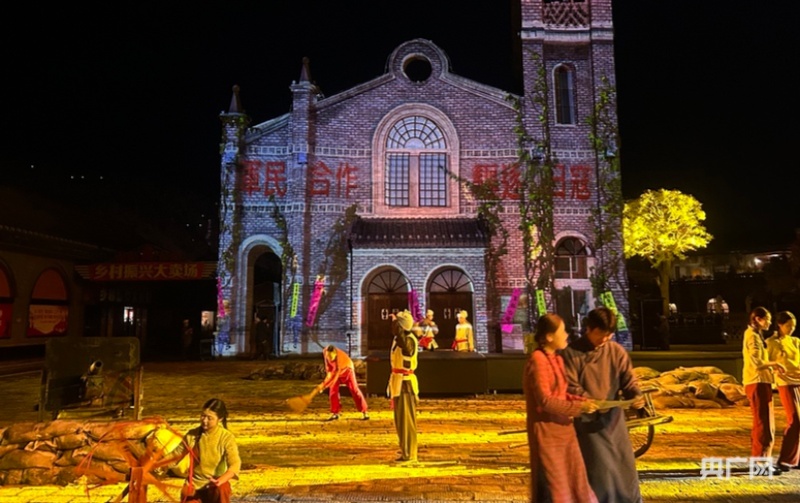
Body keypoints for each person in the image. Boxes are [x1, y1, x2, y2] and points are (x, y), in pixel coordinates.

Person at [561, 306, 645, 502]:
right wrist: (586, 400)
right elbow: (570, 385)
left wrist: (636, 397)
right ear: (589, 329)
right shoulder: (571, 353)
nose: (605, 339)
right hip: (587, 422)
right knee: (598, 469)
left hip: (614, 421)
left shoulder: (616, 351)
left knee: (623, 468)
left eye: (609, 335)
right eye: (601, 334)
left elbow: (628, 381)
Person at [523, 313, 599, 503]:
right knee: (556, 485)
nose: (566, 335)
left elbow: (561, 393)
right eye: (562, 331)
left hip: (564, 430)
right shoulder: (538, 360)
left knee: (575, 479)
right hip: (547, 433)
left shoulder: (556, 358)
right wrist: (578, 408)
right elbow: (545, 401)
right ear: (549, 337)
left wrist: (583, 401)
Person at [169, 398, 241, 503]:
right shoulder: (192, 435)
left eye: (209, 418)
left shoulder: (226, 437)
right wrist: (156, 465)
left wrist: (220, 480)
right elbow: (175, 455)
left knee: (223, 488)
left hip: (214, 486)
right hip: (194, 487)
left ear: (220, 419)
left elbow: (235, 464)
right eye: (203, 416)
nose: (204, 420)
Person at [743, 306, 786, 474]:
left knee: (764, 423)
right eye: (767, 319)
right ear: (757, 319)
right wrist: (774, 364)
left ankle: (761, 459)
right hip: (757, 382)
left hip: (761, 381)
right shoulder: (752, 337)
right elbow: (758, 363)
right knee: (764, 424)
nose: (769, 322)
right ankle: (761, 462)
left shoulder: (755, 335)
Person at [766, 311, 800, 471]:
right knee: (795, 420)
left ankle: (796, 459)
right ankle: (785, 459)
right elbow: (766, 362)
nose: (791, 329)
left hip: (799, 380)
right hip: (785, 382)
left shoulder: (795, 341)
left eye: (793, 326)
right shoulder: (771, 343)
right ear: (779, 325)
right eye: (788, 326)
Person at [386, 310, 419, 463]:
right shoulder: (398, 339)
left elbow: (403, 342)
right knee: (400, 421)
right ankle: (405, 450)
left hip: (406, 384)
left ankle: (409, 453)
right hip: (398, 383)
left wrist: (396, 323)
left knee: (407, 421)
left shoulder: (408, 340)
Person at [315, 344, 369, 421]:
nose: (329, 359)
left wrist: (324, 386)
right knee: (333, 391)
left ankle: (364, 411)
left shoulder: (340, 359)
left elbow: (334, 378)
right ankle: (335, 413)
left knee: (354, 390)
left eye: (331, 357)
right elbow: (329, 372)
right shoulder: (325, 352)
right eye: (328, 357)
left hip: (347, 371)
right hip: (335, 371)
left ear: (335, 355)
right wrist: (324, 384)